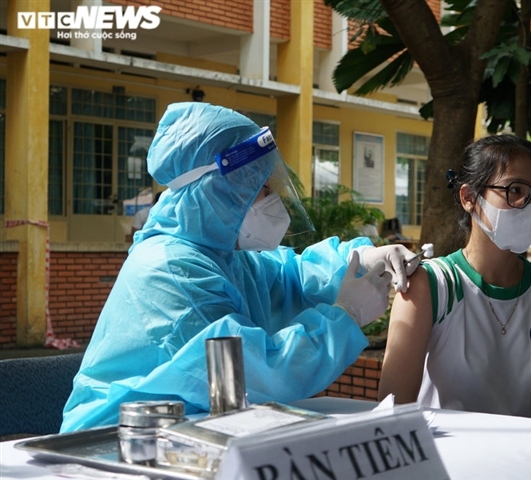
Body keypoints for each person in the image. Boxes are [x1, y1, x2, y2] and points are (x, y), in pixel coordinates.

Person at [61, 103, 419, 432]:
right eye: (260, 188)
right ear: (215, 190)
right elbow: (252, 372)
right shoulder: (171, 271)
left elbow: (293, 276)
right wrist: (346, 315)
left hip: (188, 431)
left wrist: (359, 260)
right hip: (115, 442)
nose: (273, 199)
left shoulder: (226, 256)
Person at [378, 134, 531, 424]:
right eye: (515, 190)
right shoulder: (431, 285)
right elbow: (394, 408)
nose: (530, 207)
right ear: (469, 197)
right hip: (448, 463)